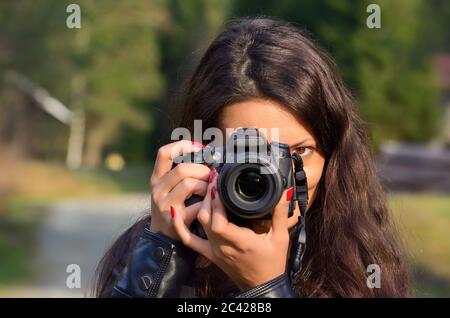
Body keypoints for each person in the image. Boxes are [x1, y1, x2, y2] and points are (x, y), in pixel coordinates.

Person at [94, 17, 410, 298]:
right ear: (202, 156)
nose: (268, 174)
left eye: (297, 153)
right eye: (246, 152)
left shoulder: (359, 266)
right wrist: (161, 254)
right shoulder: (154, 249)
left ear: (332, 158)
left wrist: (265, 288)